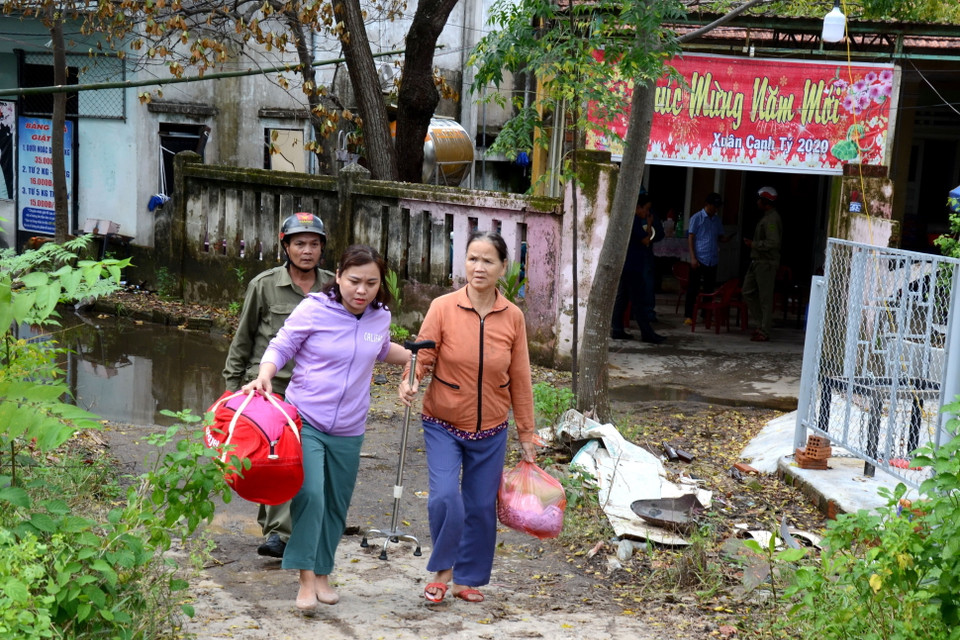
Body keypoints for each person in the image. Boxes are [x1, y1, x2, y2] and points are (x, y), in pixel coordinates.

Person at [243, 245, 411, 612]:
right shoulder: (315, 308)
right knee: (312, 496)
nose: (361, 290)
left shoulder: (379, 316)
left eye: (371, 283)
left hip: (351, 428)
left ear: (380, 285)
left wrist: (415, 360)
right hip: (307, 420)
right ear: (338, 276)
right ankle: (305, 577)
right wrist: (264, 375)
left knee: (336, 504)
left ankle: (322, 572)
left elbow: (380, 350)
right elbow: (282, 344)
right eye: (354, 281)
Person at [398, 230, 537, 604]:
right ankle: (443, 570)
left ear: (503, 267)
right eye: (473, 259)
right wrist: (410, 380)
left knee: (478, 506)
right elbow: (423, 356)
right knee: (445, 498)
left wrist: (527, 432)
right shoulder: (443, 307)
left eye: (488, 260)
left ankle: (467, 578)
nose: (479, 267)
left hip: (491, 427)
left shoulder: (513, 318)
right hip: (442, 421)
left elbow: (521, 377)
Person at [222, 211, 332, 559]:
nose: (307, 251)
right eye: (299, 243)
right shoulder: (264, 285)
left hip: (315, 390)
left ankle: (277, 532)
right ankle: (279, 534)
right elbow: (243, 339)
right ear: (285, 245)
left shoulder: (334, 287)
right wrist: (229, 390)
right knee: (271, 458)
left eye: (314, 244)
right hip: (269, 389)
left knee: (292, 460)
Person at [610, 193, 666, 343]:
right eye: (646, 209)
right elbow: (646, 241)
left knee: (622, 299)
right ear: (638, 207)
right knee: (638, 301)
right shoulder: (634, 220)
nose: (647, 213)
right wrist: (649, 225)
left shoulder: (628, 219)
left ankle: (617, 329)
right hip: (633, 265)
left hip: (626, 263)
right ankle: (646, 333)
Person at [684, 193, 734, 326]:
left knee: (709, 289)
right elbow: (691, 237)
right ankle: (689, 315)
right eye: (714, 206)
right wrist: (693, 258)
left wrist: (726, 239)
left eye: (717, 207)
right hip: (699, 258)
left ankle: (705, 314)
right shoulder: (697, 218)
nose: (716, 209)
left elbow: (719, 236)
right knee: (693, 288)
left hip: (712, 259)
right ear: (708, 205)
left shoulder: (716, 220)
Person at [741, 186, 783, 342]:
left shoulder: (772, 219)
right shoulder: (766, 217)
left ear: (765, 202)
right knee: (747, 291)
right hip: (757, 261)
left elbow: (774, 242)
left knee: (765, 298)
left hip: (766, 263)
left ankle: (764, 330)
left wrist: (755, 245)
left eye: (760, 200)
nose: (757, 202)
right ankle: (761, 324)